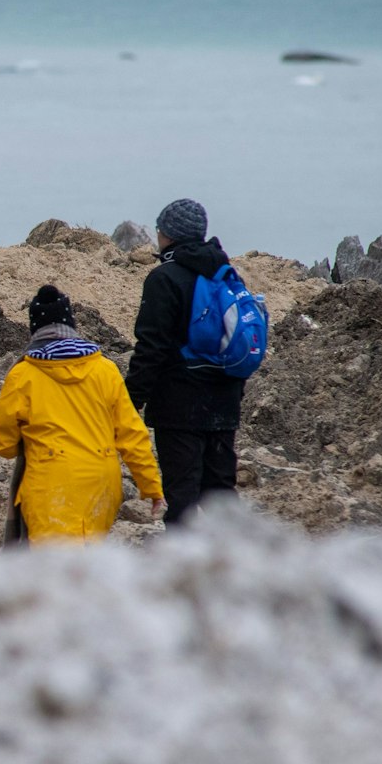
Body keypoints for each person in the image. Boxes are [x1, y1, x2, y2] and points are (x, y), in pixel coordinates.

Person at [0, 285, 163, 543]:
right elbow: (132, 434)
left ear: (35, 330)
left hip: (50, 484)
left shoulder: (23, 375)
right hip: (102, 482)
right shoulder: (106, 370)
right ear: (71, 325)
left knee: (54, 571)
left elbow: (2, 443)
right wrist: (151, 486)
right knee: (87, 563)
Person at [125, 198, 246, 525]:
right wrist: (235, 395)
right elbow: (239, 338)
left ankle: (184, 569)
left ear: (168, 235)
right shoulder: (226, 274)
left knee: (182, 496)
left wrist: (128, 402)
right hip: (224, 401)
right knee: (221, 492)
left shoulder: (164, 278)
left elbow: (151, 348)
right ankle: (240, 564)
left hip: (179, 407)